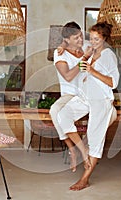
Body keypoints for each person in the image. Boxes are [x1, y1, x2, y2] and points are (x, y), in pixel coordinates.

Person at [57, 21, 119, 190]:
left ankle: (85, 178)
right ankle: (82, 149)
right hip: (86, 97)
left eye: (96, 39)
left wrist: (92, 71)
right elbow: (68, 41)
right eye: (91, 38)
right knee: (62, 115)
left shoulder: (108, 55)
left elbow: (113, 82)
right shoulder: (91, 52)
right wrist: (62, 48)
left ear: (105, 39)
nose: (92, 41)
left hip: (101, 100)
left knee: (95, 137)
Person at [49, 21, 93, 172]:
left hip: (86, 94)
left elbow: (99, 47)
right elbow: (67, 76)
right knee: (55, 111)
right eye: (76, 38)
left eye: (80, 35)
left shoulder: (86, 45)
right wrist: (83, 59)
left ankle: (85, 147)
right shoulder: (59, 53)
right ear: (67, 39)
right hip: (69, 94)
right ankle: (72, 149)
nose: (80, 40)